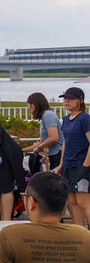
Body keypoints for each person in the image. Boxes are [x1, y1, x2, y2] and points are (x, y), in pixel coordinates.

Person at [55, 86, 90, 228]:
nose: (66, 101)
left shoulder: (85, 118)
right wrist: (61, 164)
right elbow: (65, 143)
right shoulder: (66, 119)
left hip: (81, 165)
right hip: (68, 166)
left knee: (83, 202)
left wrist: (85, 166)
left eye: (70, 99)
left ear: (80, 101)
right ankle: (80, 233)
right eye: (65, 99)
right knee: (72, 202)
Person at [24, 91, 63, 171]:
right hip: (53, 154)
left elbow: (53, 138)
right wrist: (22, 150)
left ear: (33, 105)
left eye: (29, 105)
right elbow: (42, 142)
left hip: (59, 154)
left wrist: (39, 147)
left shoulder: (48, 115)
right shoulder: (43, 118)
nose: (28, 108)